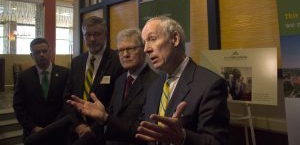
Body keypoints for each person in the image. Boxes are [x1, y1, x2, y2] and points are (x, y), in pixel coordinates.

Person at [68, 16, 229, 145]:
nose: (146, 49)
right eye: (144, 43)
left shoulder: (210, 84)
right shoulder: (157, 85)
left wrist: (183, 137)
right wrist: (105, 118)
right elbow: (141, 131)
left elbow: (217, 141)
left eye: (152, 39)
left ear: (175, 38)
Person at [63, 16, 124, 144]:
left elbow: (116, 102)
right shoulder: (76, 62)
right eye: (88, 35)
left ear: (105, 35)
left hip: (102, 134)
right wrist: (78, 125)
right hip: (76, 132)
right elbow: (67, 98)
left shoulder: (118, 60)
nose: (92, 39)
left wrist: (93, 128)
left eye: (96, 34)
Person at [13, 38, 69, 144]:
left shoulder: (65, 74)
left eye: (44, 51)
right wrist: (33, 127)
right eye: (37, 52)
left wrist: (54, 127)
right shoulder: (24, 77)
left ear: (50, 51)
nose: (42, 55)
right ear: (31, 55)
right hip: (33, 134)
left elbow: (68, 103)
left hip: (59, 133)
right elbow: (18, 106)